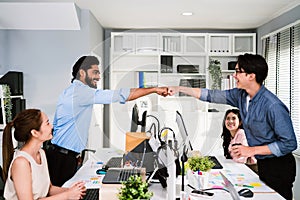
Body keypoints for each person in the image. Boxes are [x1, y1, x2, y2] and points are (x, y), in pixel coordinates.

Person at [168, 53, 297, 200]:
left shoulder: (273, 106)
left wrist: (250, 150)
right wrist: (180, 88)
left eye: (238, 71)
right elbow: (211, 95)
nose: (234, 75)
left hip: (280, 166)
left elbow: (289, 143)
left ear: (251, 76)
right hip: (263, 163)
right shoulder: (241, 96)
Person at [44, 55, 168, 186]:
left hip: (64, 154)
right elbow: (120, 95)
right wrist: (153, 89)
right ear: (82, 73)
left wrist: (76, 154)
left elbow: (59, 125)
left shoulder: (72, 91)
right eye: (95, 72)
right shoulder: (80, 92)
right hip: (62, 159)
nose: (98, 77)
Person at [2, 109, 86, 200]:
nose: (51, 126)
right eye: (47, 123)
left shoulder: (41, 153)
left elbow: (48, 189)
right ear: (35, 133)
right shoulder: (21, 163)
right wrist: (67, 195)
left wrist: (72, 191)